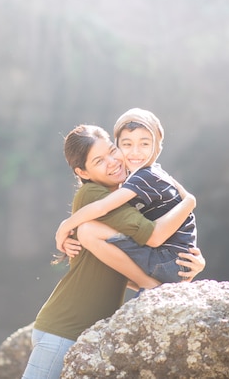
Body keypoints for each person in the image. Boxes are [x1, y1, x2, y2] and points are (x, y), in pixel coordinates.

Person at [21, 124, 204, 379]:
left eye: (111, 151)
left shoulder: (126, 195)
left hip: (83, 333)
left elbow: (123, 266)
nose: (113, 162)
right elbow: (153, 236)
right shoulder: (94, 195)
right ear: (82, 172)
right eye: (99, 161)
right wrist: (190, 202)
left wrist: (190, 264)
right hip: (64, 330)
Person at [55, 108, 197, 284]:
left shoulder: (144, 177)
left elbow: (103, 206)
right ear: (118, 144)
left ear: (157, 147)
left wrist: (65, 226)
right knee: (99, 243)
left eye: (144, 144)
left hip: (168, 262)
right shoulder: (153, 174)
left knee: (89, 231)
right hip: (176, 264)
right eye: (127, 145)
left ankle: (149, 286)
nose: (135, 152)